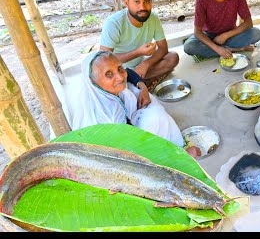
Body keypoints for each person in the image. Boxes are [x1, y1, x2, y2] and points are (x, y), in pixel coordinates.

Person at [71, 50, 201, 158]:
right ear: (93, 82)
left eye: (119, 68)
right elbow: (125, 153)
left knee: (152, 108)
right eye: (108, 74)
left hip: (128, 130)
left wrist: (142, 86)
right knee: (155, 117)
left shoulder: (106, 92)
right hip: (121, 158)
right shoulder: (100, 119)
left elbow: (130, 72)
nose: (121, 77)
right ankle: (174, 156)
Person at [99, 0, 179, 92]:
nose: (142, 7)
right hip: (119, 70)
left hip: (140, 66)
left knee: (173, 57)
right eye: (136, 1)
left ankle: (136, 82)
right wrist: (138, 52)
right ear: (126, 3)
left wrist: (146, 64)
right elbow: (104, 59)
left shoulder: (153, 18)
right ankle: (141, 81)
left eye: (147, 1)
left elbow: (163, 48)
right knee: (105, 78)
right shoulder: (114, 23)